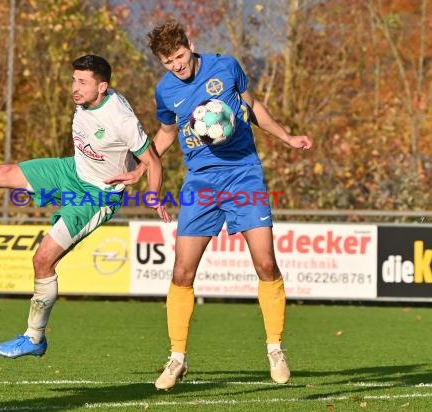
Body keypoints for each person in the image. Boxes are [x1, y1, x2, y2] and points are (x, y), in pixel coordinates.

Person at [0, 54, 170, 359]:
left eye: (82, 82)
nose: (74, 88)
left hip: (97, 195)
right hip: (72, 171)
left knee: (42, 260)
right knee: (3, 173)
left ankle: (34, 337)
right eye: (73, 80)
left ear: (102, 87)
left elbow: (153, 161)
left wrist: (152, 193)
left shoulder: (120, 119)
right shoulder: (87, 100)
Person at [106, 21, 312, 390]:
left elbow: (253, 106)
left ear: (191, 46)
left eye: (180, 57)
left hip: (244, 175)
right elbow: (167, 132)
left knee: (266, 263)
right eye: (168, 61)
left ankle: (275, 348)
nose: (177, 66)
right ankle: (177, 358)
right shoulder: (166, 90)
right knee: (182, 272)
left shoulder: (226, 66)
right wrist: (142, 167)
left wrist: (287, 137)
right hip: (200, 183)